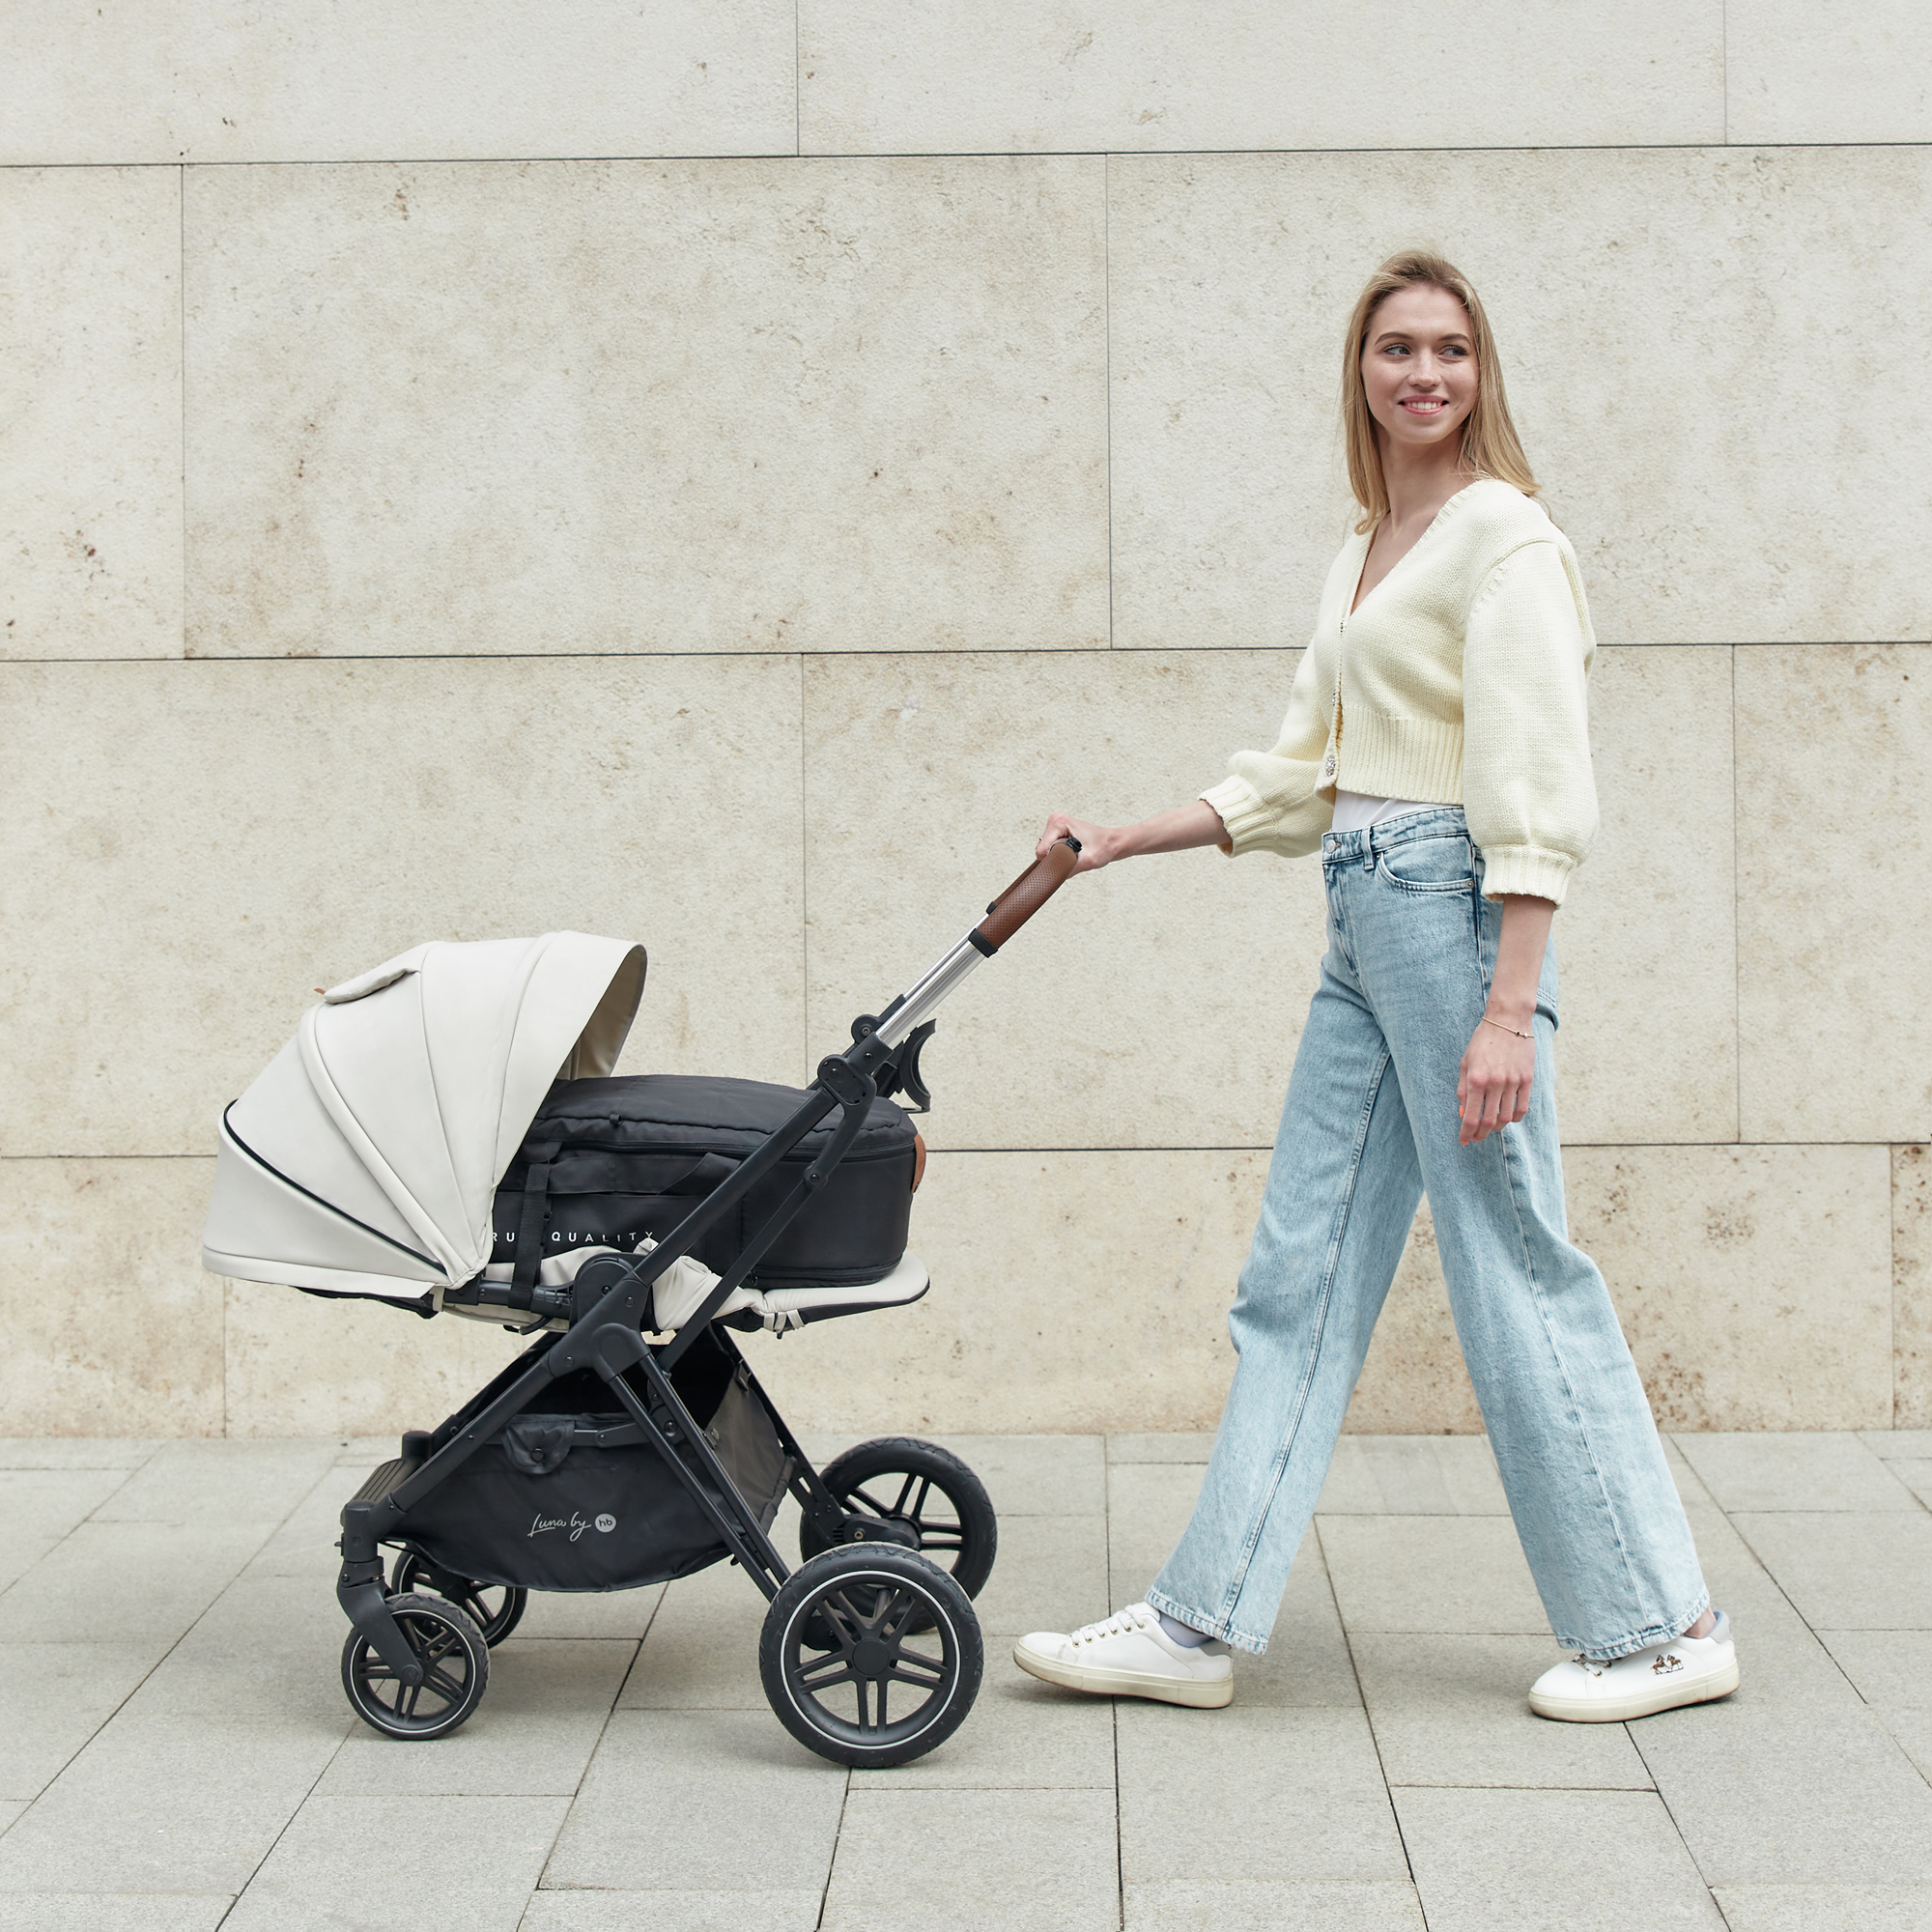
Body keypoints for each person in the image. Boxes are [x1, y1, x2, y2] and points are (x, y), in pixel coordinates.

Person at [1013, 250, 1738, 1724]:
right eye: (1398, 348)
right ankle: (1199, 1623)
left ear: (1484, 375)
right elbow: (1304, 775)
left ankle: (1662, 1626)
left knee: (1512, 1258)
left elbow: (1536, 774)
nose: (1425, 373)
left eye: (1452, 351)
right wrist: (1123, 836)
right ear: (1359, 371)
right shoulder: (1364, 549)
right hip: (1361, 913)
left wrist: (1506, 1008)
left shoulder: (1505, 540)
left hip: (1452, 920)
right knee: (1300, 1276)